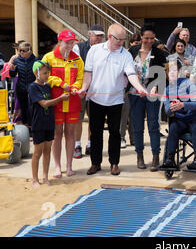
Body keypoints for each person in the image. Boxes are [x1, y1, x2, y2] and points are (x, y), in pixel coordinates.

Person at [78, 24, 147, 176]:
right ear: (110, 37)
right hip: (95, 99)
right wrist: (84, 88)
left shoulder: (125, 55)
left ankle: (114, 163)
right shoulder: (94, 51)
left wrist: (139, 87)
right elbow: (88, 73)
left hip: (116, 101)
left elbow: (131, 75)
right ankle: (95, 163)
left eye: (124, 40)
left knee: (115, 133)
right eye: (119, 40)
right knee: (95, 133)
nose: (122, 43)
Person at [42, 30, 84, 178]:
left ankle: (70, 166)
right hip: (56, 102)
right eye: (67, 42)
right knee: (57, 134)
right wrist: (60, 83)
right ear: (60, 42)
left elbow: (80, 78)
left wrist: (76, 87)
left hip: (72, 102)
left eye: (72, 42)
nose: (70, 45)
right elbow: (44, 76)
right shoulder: (49, 57)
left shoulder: (77, 59)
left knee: (70, 133)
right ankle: (58, 167)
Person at [128, 24, 167, 172]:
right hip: (134, 94)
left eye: (152, 38)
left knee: (153, 125)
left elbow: (164, 73)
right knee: (137, 126)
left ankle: (155, 157)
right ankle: (139, 156)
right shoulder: (131, 51)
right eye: (146, 38)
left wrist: (157, 85)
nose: (149, 41)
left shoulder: (158, 53)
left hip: (152, 94)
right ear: (141, 37)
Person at [160, 60, 196, 171]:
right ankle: (170, 159)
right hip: (182, 120)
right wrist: (171, 108)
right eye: (170, 71)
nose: (172, 73)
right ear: (167, 73)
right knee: (173, 126)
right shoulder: (167, 90)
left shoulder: (188, 84)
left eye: (175, 70)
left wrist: (183, 104)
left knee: (195, 127)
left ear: (179, 72)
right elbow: (167, 111)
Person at [28, 61, 69, 188]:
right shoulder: (33, 87)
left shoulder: (47, 86)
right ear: (36, 73)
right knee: (37, 153)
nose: (47, 75)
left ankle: (45, 176)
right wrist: (60, 98)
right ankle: (35, 179)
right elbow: (44, 103)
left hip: (49, 122)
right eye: (44, 73)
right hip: (38, 123)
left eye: (48, 73)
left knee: (47, 151)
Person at [72, 24, 105, 158]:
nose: (98, 38)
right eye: (96, 35)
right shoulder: (78, 48)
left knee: (94, 119)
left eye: (101, 36)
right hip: (81, 89)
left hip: (97, 90)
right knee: (78, 118)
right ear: (89, 34)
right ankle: (77, 145)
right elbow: (75, 69)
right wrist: (80, 87)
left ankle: (90, 144)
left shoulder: (104, 50)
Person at [9, 41, 39, 127]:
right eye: (20, 50)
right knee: (23, 109)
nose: (21, 52)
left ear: (29, 50)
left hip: (32, 88)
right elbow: (12, 75)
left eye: (23, 50)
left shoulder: (36, 60)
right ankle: (26, 130)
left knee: (32, 109)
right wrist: (12, 69)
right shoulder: (17, 60)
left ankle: (33, 128)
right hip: (21, 88)